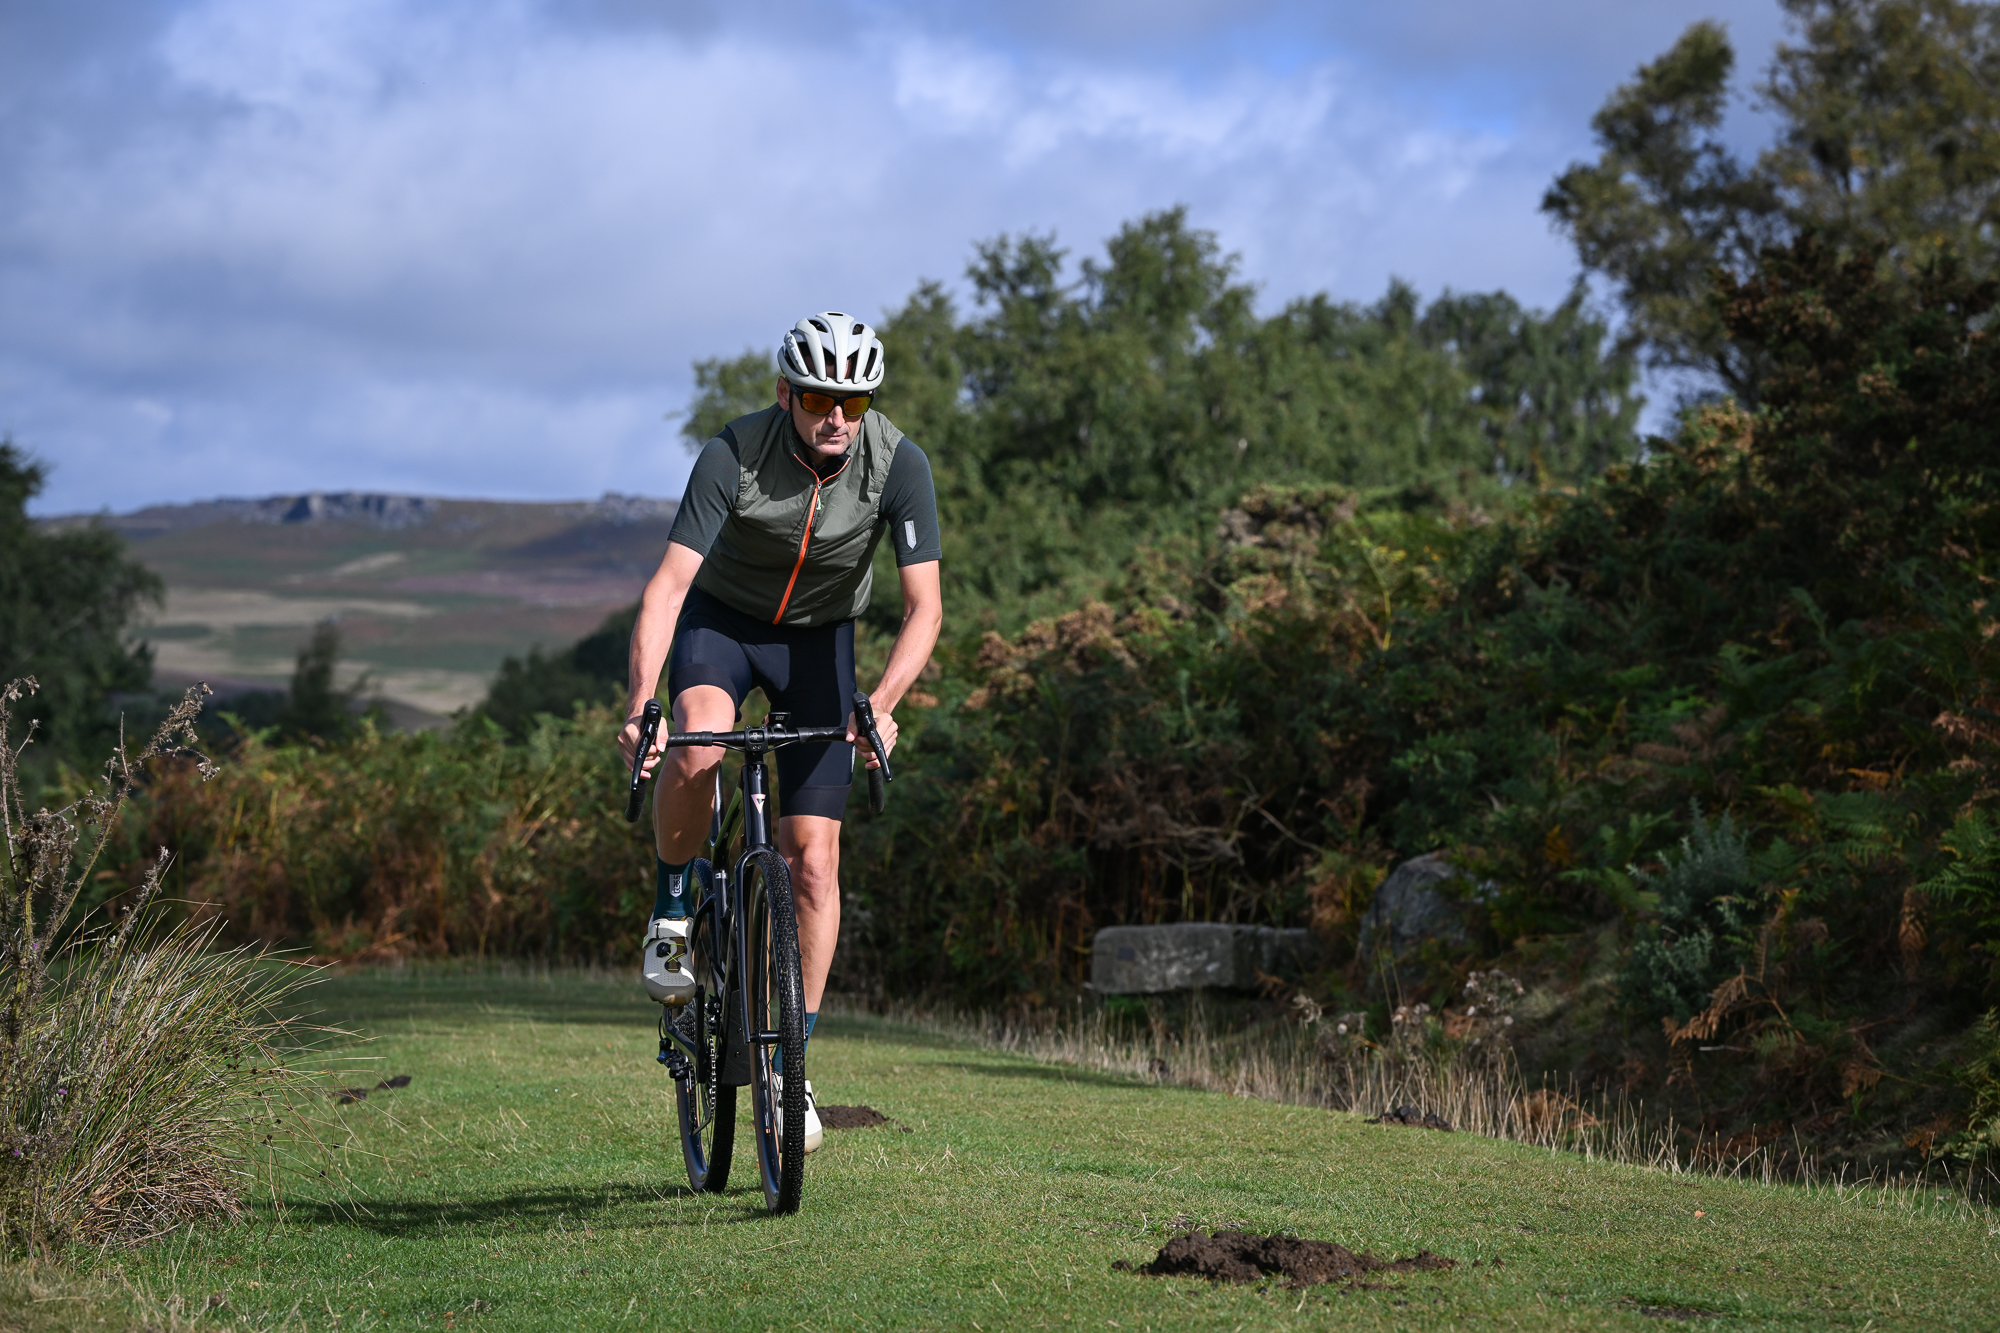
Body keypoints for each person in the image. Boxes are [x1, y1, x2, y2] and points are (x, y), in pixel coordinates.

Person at [618, 311, 942, 1152]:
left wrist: (883, 700)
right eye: (817, 396)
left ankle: (791, 1067)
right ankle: (674, 909)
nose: (836, 414)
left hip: (820, 644)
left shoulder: (898, 463)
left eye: (854, 397)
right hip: (722, 625)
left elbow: (924, 607)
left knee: (815, 860)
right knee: (696, 738)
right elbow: (664, 589)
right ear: (785, 394)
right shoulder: (733, 451)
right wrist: (637, 703)